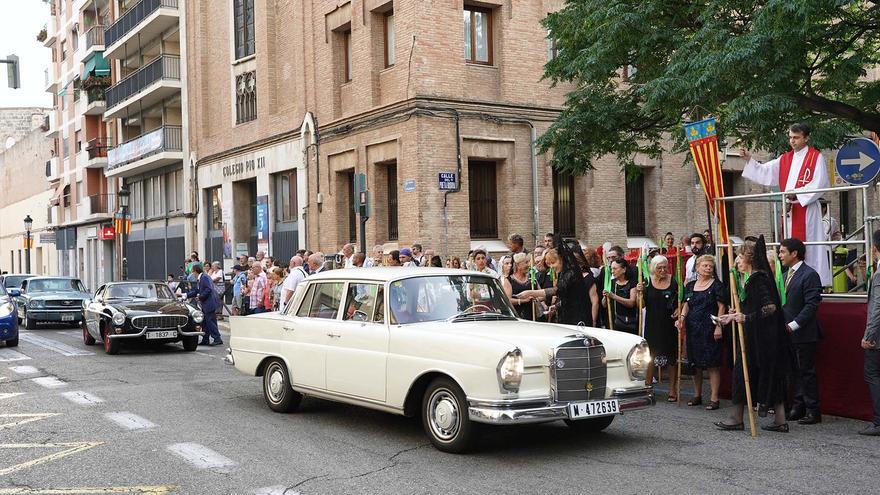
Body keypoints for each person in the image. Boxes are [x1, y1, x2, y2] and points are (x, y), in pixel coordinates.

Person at [717, 236, 794, 432]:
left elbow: (770, 308)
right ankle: (779, 420)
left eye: (740, 258)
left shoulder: (759, 280)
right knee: (765, 375)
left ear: (749, 259)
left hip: (762, 339)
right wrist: (733, 315)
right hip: (757, 337)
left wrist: (746, 317)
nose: (737, 262)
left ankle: (737, 418)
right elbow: (752, 306)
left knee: (744, 374)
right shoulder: (751, 280)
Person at [741, 123, 831, 285]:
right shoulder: (785, 158)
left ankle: (814, 283)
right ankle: (792, 281)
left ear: (806, 137)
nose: (792, 141)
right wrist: (749, 159)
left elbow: (820, 183)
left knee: (810, 247)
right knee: (790, 247)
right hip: (789, 209)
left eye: (796, 138)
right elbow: (766, 171)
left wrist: (796, 193)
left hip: (806, 208)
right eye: (790, 137)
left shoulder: (815, 157)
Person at [779, 237, 824, 425]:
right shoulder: (784, 274)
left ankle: (813, 410)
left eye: (782, 252)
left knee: (806, 371)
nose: (780, 255)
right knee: (793, 371)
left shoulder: (809, 274)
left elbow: (812, 304)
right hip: (786, 332)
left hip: (803, 332)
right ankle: (798, 406)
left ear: (794, 253)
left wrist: (794, 324)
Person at [677, 254, 726, 409]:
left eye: (710, 266)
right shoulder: (690, 286)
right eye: (705, 265)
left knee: (712, 364)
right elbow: (686, 304)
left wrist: (719, 326)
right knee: (694, 364)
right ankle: (697, 394)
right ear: (697, 267)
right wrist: (681, 318)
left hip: (709, 329)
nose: (708, 268)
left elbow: (721, 307)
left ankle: (714, 398)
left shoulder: (717, 285)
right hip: (693, 329)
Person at [515, 237, 591, 325]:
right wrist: (556, 306)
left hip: (578, 316)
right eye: (549, 264)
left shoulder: (571, 273)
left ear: (561, 260)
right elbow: (569, 296)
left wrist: (530, 293)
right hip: (568, 314)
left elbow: (557, 290)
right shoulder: (563, 273)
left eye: (553, 263)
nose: (551, 266)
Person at [641, 255, 679, 398]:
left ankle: (672, 389)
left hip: (669, 322)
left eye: (665, 267)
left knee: (671, 356)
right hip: (652, 323)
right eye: (659, 268)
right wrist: (640, 294)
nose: (663, 270)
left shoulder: (673, 281)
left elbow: (679, 300)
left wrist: (679, 309)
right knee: (650, 355)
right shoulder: (646, 282)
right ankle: (648, 385)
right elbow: (642, 305)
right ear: (653, 269)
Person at [860, 229, 880, 436]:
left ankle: (879, 421)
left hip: (877, 339)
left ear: (874, 248)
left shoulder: (879, 273)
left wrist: (869, 336)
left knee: (873, 375)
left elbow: (877, 308)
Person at [184, 263, 222, 346]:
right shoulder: (201, 278)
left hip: (209, 303)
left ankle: (217, 338)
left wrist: (200, 297)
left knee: (210, 321)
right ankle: (205, 339)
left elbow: (208, 289)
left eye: (192, 272)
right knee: (205, 322)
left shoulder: (204, 277)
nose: (192, 274)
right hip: (206, 303)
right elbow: (197, 290)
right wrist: (186, 295)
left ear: (195, 271)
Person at [601, 259, 638, 334]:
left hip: (627, 323)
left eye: (615, 268)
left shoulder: (632, 284)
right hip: (612, 322)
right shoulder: (611, 283)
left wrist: (614, 296)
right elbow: (604, 305)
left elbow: (631, 303)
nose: (612, 271)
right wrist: (605, 296)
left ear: (624, 269)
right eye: (611, 269)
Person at [506, 253, 539, 320]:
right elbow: (508, 300)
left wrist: (535, 298)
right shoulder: (509, 280)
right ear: (518, 265)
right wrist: (524, 300)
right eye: (526, 262)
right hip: (517, 316)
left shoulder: (532, 278)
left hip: (532, 315)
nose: (528, 265)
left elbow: (542, 295)